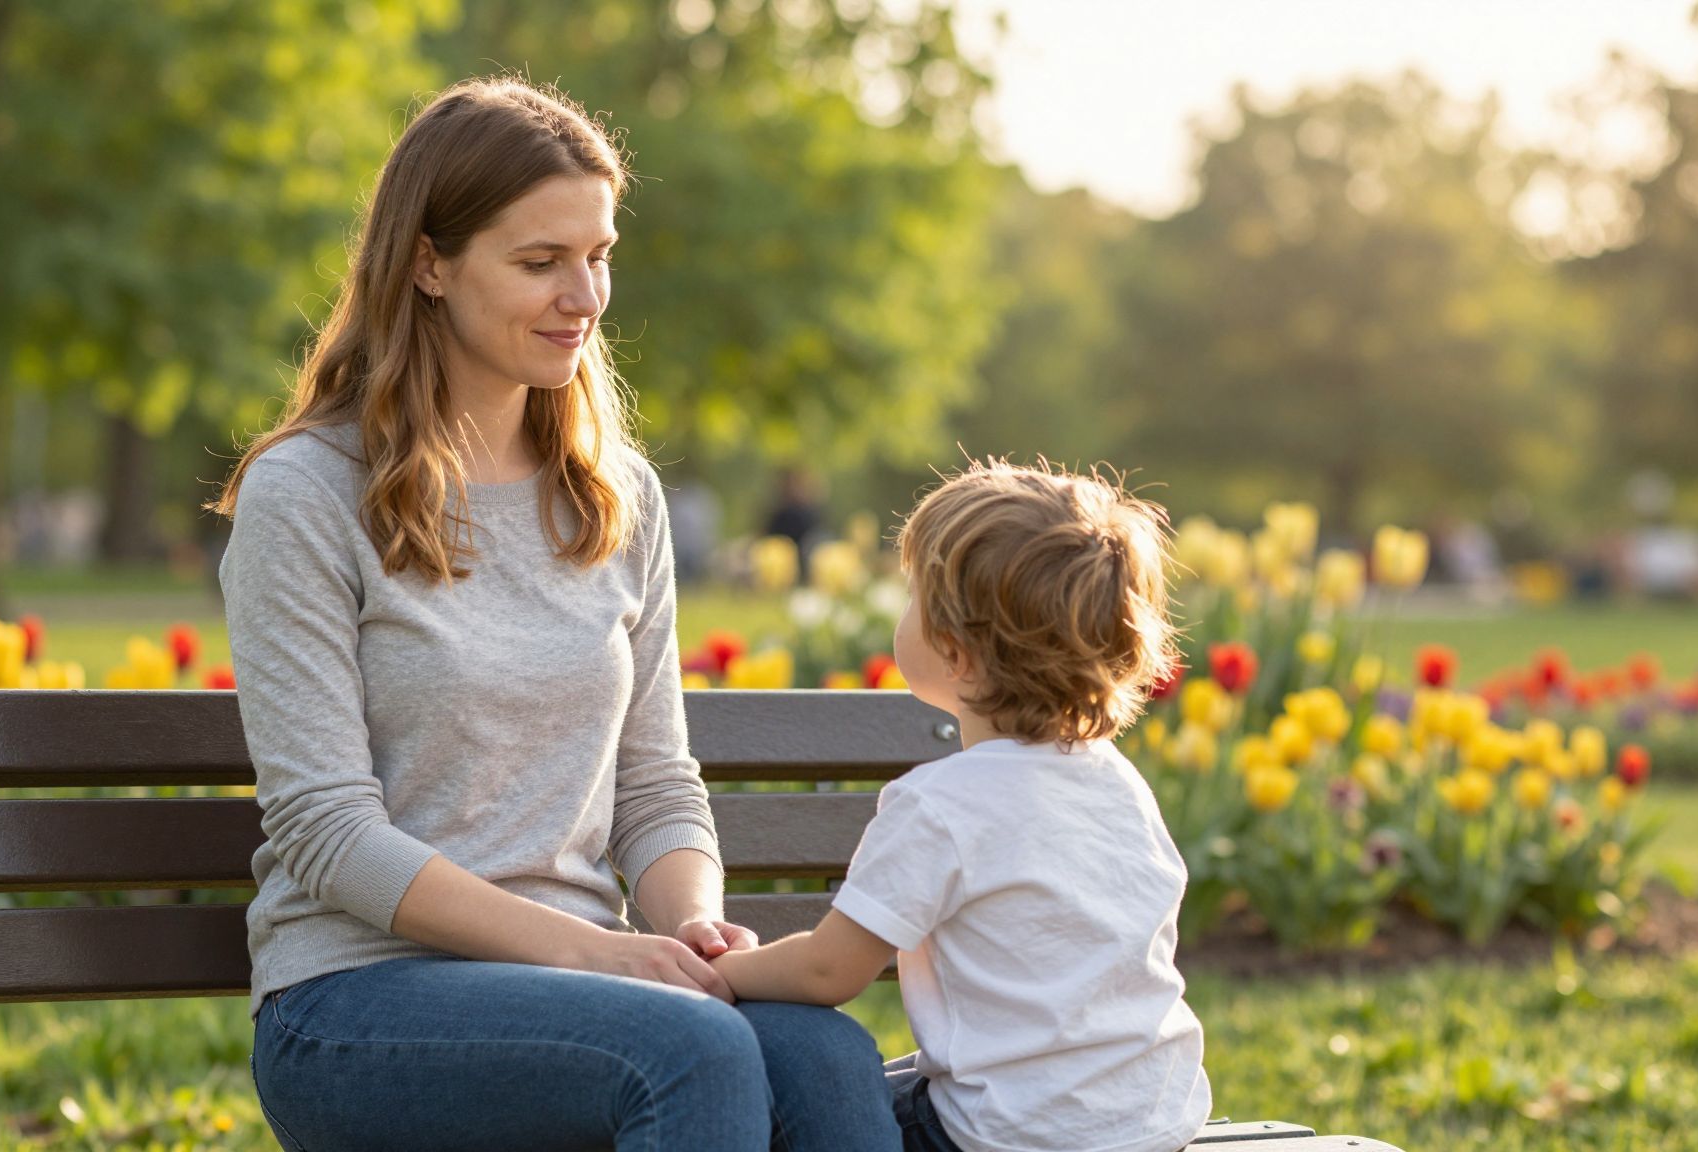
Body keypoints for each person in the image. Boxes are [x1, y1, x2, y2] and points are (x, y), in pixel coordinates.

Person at [208, 77, 896, 1152]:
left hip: (596, 989)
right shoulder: (307, 492)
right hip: (356, 1006)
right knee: (692, 1052)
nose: (584, 295)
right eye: (540, 262)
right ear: (427, 265)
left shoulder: (616, 496)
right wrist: (595, 956)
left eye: (598, 256)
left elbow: (658, 787)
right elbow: (328, 833)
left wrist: (687, 929)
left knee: (822, 1055)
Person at [711, 459, 1214, 1152]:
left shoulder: (940, 805)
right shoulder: (1117, 784)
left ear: (956, 653)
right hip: (1152, 1125)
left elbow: (830, 971)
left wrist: (726, 970)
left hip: (1006, 1137)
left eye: (914, 594)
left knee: (798, 1094)